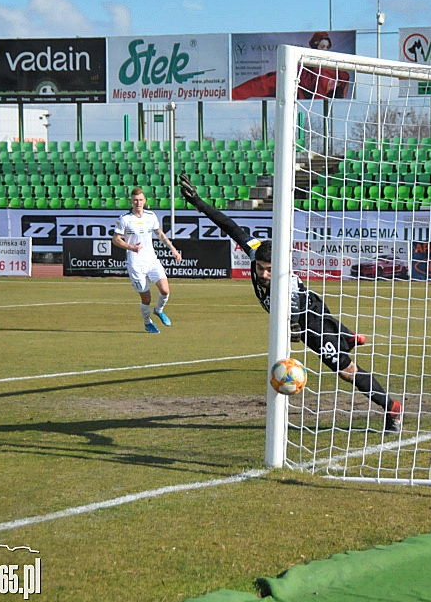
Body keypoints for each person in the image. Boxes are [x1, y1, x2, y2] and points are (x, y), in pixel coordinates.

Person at [177, 174, 403, 433]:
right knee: (339, 353)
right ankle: (348, 337)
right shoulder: (255, 249)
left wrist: (294, 328)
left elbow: (296, 316)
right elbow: (229, 225)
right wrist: (199, 203)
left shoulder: (288, 287)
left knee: (344, 369)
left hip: (310, 318)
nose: (263, 274)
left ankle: (391, 407)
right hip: (309, 306)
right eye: (260, 268)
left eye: (269, 270)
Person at [111, 186, 182, 334]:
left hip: (151, 259)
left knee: (165, 290)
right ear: (131, 201)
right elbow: (116, 240)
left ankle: (159, 310)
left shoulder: (151, 216)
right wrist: (131, 247)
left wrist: (173, 250)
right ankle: (147, 322)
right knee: (146, 298)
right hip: (135, 263)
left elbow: (160, 234)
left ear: (145, 201)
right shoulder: (124, 219)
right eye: (135, 200)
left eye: (141, 200)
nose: (138, 203)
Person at [298, 31, 350, 100]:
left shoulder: (331, 63)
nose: (325, 49)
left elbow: (344, 76)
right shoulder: (308, 61)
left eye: (327, 47)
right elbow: (304, 81)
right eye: (322, 47)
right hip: (312, 93)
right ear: (316, 47)